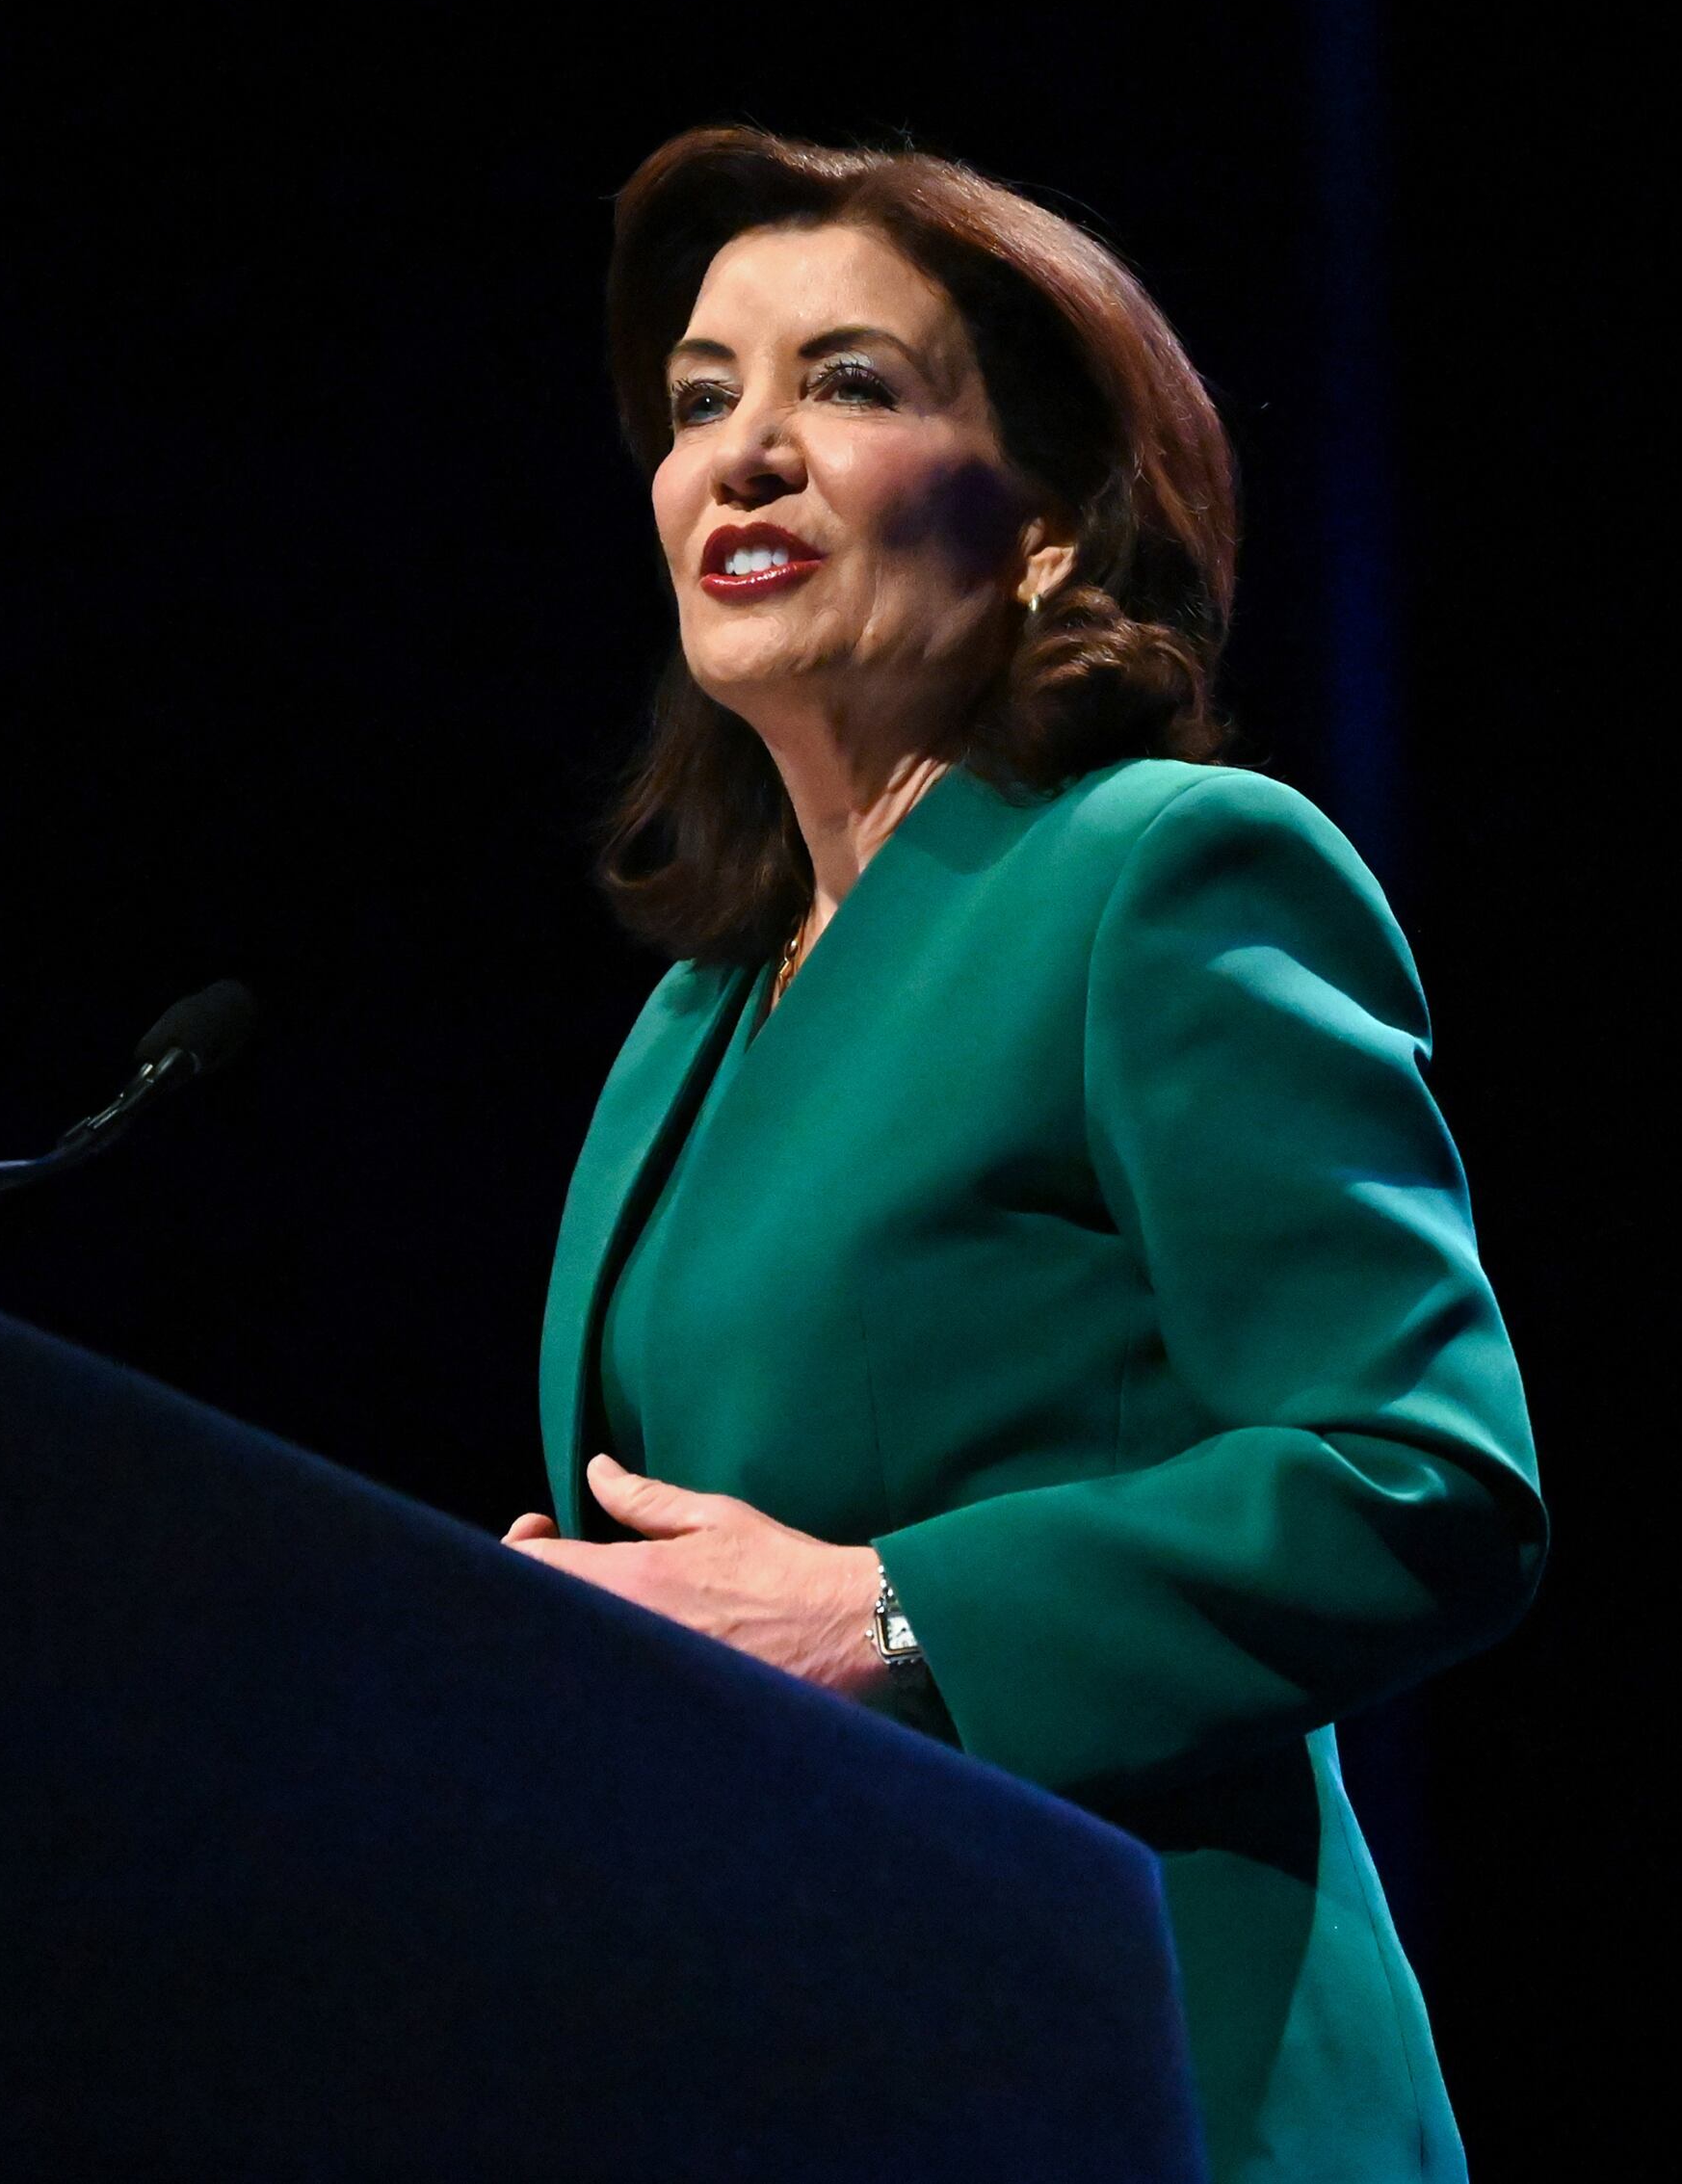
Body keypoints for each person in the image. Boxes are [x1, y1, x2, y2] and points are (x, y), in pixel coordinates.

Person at [501, 125, 1546, 2184]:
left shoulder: (1161, 878)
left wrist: (892, 1616)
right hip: (807, 2063)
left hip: (1145, 2056)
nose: (746, 451)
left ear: (1044, 527)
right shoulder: (689, 1027)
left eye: (852, 385)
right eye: (703, 400)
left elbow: (1425, 1478)